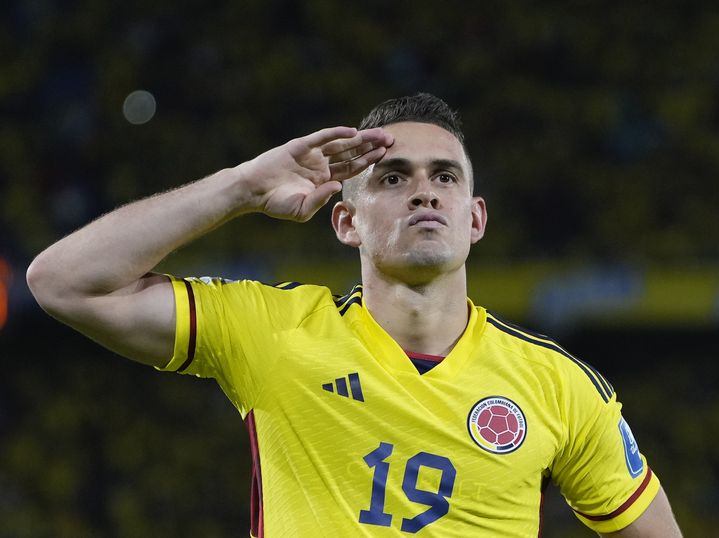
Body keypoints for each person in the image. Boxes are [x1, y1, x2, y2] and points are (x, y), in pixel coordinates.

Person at [27, 93, 682, 537]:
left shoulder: (560, 388)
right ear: (346, 221)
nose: (424, 190)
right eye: (392, 178)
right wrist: (241, 188)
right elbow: (64, 283)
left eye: (445, 177)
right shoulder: (274, 332)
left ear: (474, 218)